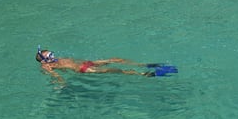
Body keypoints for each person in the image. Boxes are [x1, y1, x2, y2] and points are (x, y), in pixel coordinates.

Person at [35, 47, 176, 82]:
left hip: (86, 63)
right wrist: (61, 83)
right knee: (116, 70)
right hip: (85, 69)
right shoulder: (46, 66)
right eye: (50, 56)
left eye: (52, 54)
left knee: (116, 59)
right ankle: (149, 75)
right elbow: (54, 75)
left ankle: (144, 65)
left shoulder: (53, 61)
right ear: (44, 60)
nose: (54, 56)